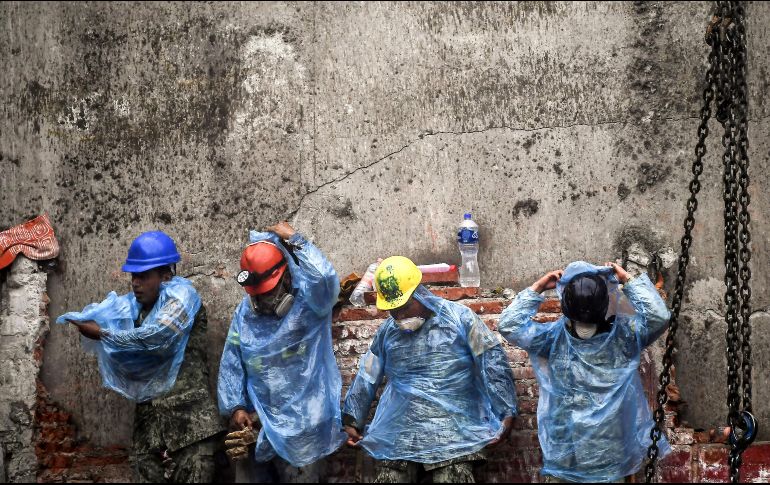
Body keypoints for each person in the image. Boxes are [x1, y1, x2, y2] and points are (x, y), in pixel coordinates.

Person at [56, 231, 224, 483]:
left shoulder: (183, 298)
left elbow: (156, 337)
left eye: (143, 276)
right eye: (134, 276)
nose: (135, 283)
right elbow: (122, 336)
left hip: (191, 428)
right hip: (150, 434)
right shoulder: (136, 309)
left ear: (166, 276)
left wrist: (102, 333)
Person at [342, 256, 517, 483]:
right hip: (402, 432)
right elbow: (368, 374)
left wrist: (506, 411)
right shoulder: (387, 333)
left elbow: (491, 362)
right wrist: (352, 419)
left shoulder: (460, 319)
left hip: (453, 432)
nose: (400, 316)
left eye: (404, 307)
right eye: (393, 311)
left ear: (419, 292)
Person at [497, 261, 672, 483]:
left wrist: (540, 286)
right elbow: (658, 317)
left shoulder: (559, 338)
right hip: (577, 455)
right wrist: (626, 279)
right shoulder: (623, 337)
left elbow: (510, 325)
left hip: (594, 455)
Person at [217, 222, 345, 482]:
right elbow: (232, 363)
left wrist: (296, 240)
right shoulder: (244, 314)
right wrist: (236, 408)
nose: (263, 301)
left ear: (286, 275)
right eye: (257, 295)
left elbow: (325, 280)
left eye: (269, 292)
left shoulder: (311, 304)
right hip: (258, 429)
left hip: (304, 430)